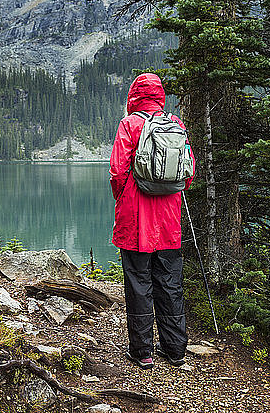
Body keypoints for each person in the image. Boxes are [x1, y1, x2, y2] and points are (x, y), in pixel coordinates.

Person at [109, 73, 195, 369]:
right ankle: (175, 350)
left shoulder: (130, 125)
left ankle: (142, 352)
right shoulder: (176, 125)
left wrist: (125, 197)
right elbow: (189, 172)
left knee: (138, 284)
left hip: (135, 221)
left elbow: (118, 172)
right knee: (170, 284)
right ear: (160, 96)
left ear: (134, 96)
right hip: (169, 222)